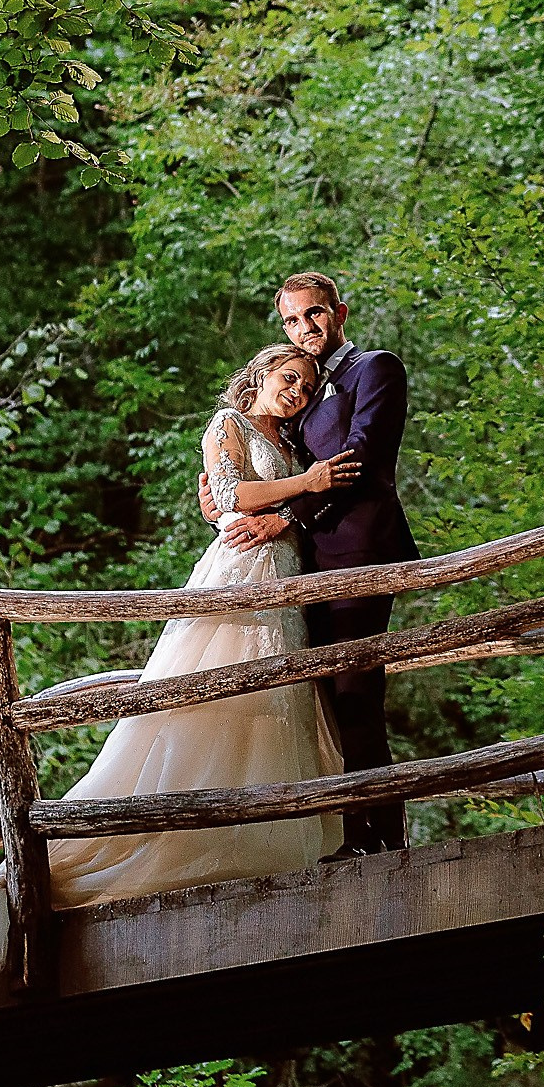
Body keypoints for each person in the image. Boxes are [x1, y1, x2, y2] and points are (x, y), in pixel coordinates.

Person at [0, 343, 362, 1018]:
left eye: (305, 384)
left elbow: (259, 504)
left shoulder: (288, 436)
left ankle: (260, 837)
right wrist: (304, 485)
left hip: (282, 577)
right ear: (260, 376)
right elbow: (229, 495)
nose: (298, 390)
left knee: (271, 702)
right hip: (241, 572)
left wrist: (291, 503)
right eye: (288, 378)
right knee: (206, 700)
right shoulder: (229, 424)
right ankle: (115, 847)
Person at [202, 272, 418, 855]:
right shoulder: (300, 390)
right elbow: (258, 472)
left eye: (314, 314)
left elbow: (364, 457)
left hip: (355, 550)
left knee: (355, 689)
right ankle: (349, 831)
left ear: (339, 313)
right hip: (301, 566)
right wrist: (221, 499)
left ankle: (383, 838)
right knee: (320, 697)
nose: (305, 328)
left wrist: (288, 518)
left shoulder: (373, 368)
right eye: (292, 320)